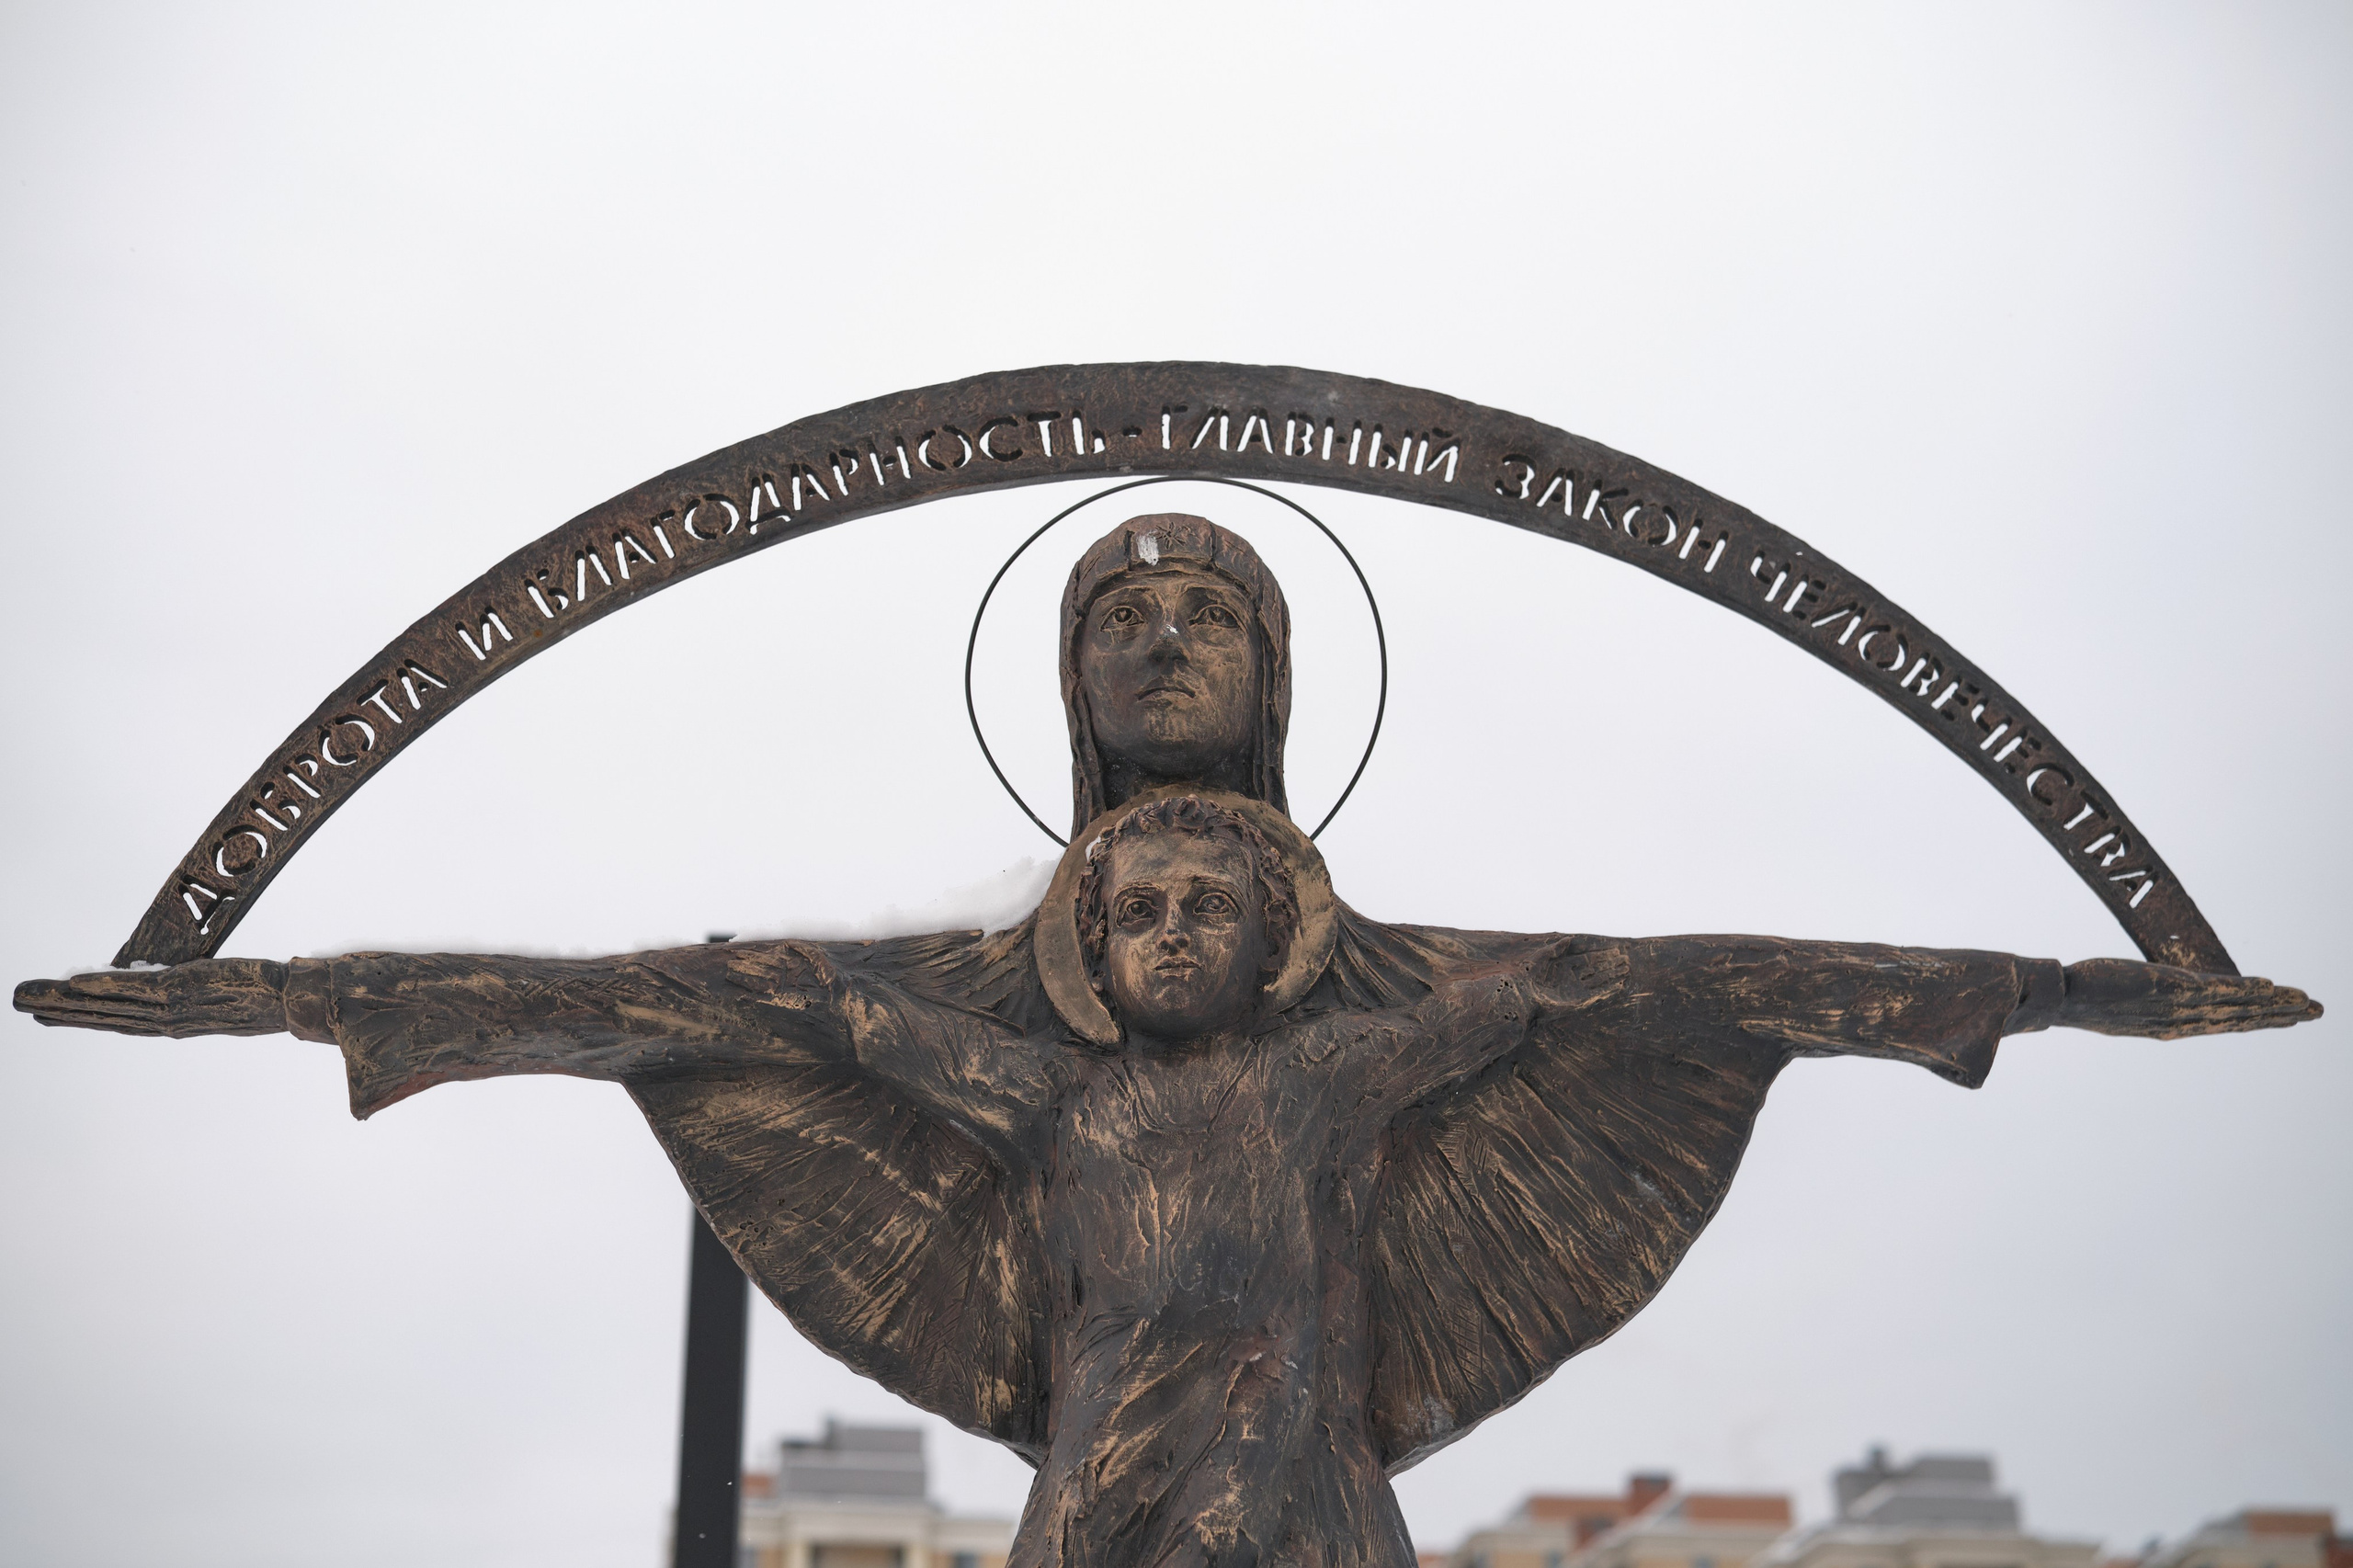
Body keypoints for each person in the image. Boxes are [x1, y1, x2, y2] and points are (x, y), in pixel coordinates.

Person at [15, 512, 2322, 1536]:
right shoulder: (991, 1033)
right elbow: (678, 1001)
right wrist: (282, 993)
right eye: (1121, 617)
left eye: (1216, 607)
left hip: (1312, 1482)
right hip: (1102, 1480)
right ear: (1090, 894)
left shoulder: (1368, 1029)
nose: (1162, 638)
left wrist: (2057, 990)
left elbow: (1673, 985)